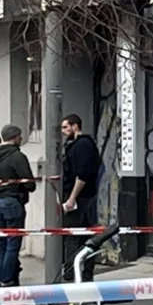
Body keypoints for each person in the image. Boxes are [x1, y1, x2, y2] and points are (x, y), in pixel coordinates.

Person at [0, 124, 36, 287]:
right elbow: (29, 183)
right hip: (12, 201)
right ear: (14, 137)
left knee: (1, 242)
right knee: (13, 243)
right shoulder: (17, 156)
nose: (21, 139)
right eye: (20, 136)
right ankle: (7, 279)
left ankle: (0, 278)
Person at [61, 114, 101, 282]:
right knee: (86, 234)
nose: (63, 132)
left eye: (65, 127)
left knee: (73, 235)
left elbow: (82, 174)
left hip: (81, 196)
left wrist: (71, 198)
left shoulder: (83, 145)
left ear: (75, 126)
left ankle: (71, 272)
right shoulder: (78, 145)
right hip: (83, 195)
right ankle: (85, 272)